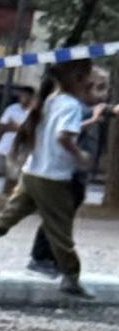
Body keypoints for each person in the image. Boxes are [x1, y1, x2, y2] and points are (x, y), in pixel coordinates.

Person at [0, 60, 99, 298]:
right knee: (60, 231)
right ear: (77, 78)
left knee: (8, 217)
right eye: (89, 77)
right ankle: (71, 278)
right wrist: (80, 155)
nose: (91, 82)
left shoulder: (49, 100)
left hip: (32, 172)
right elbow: (64, 136)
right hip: (53, 177)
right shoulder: (72, 106)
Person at [26, 67, 118, 276]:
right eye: (99, 88)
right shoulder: (75, 108)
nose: (104, 94)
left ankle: (52, 257)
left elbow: (108, 108)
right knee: (56, 216)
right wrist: (93, 121)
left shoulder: (88, 107)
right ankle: (40, 258)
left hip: (77, 174)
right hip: (65, 172)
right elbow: (66, 132)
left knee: (64, 216)